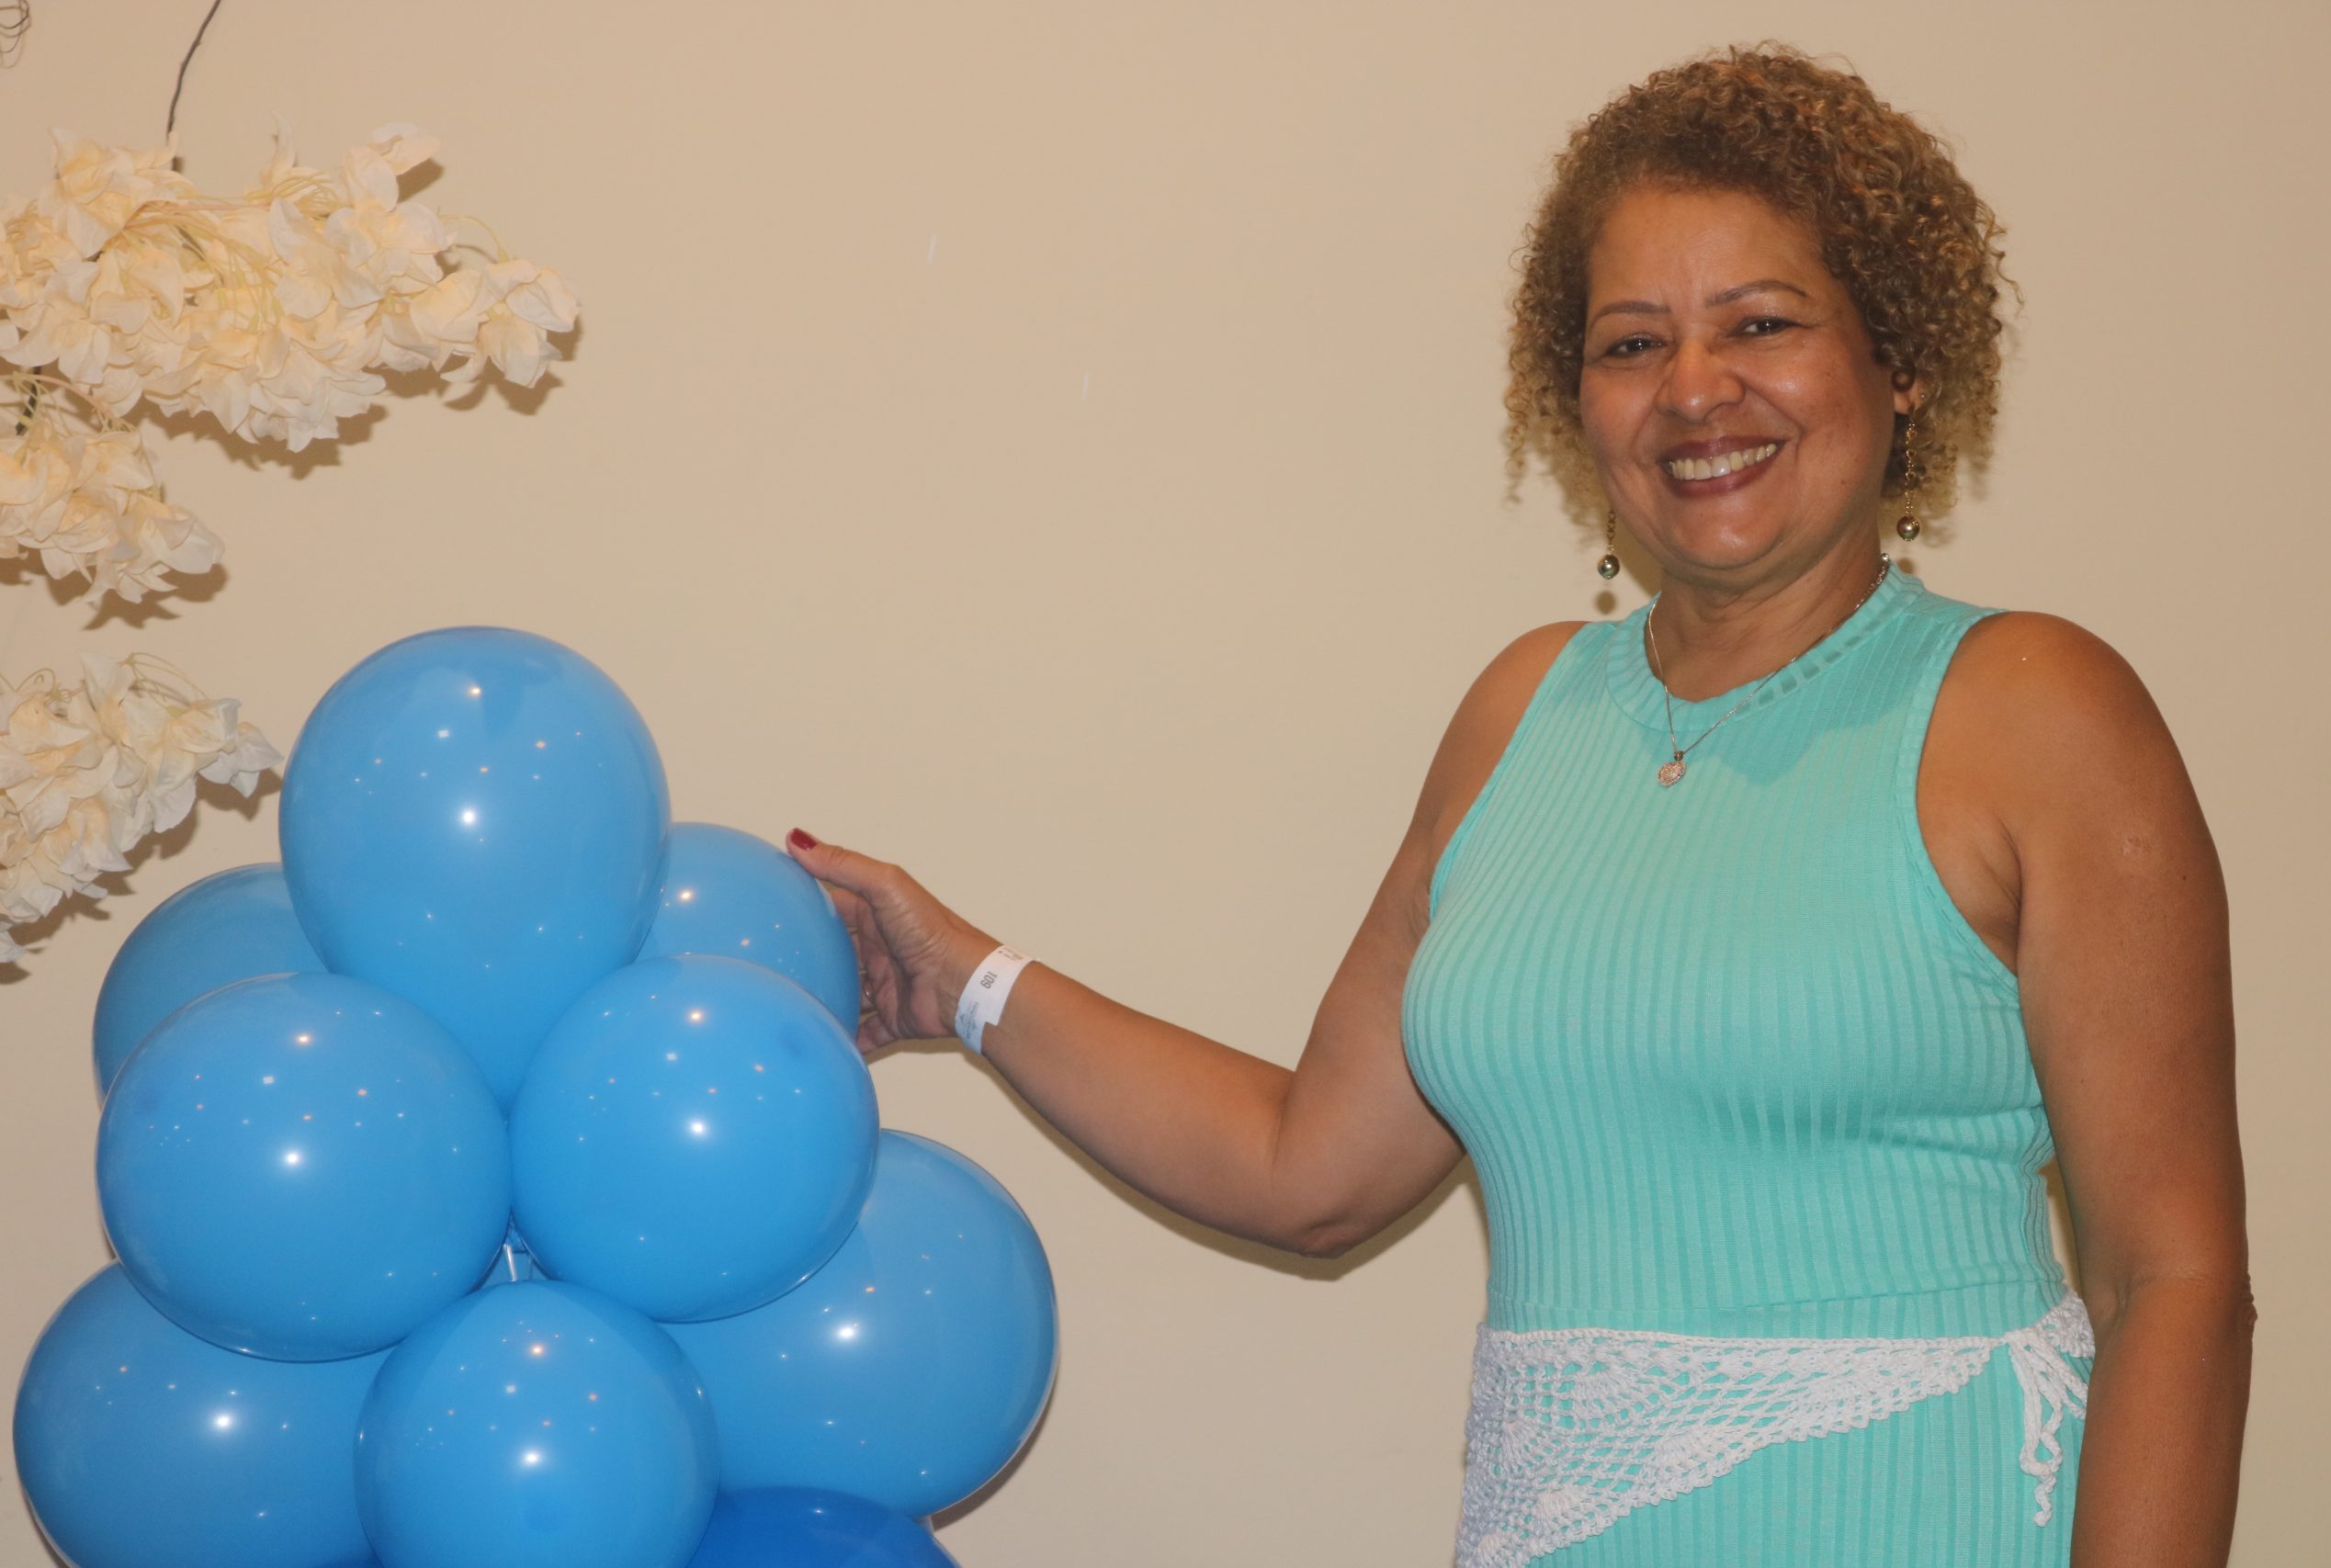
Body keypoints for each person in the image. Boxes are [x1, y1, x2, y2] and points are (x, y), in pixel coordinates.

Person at [782, 43, 2254, 1568]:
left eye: (1762, 323)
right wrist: (966, 980)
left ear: (1901, 361)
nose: (1695, 389)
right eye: (1634, 343)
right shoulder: (1522, 711)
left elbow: (2174, 1282)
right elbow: (1307, 1168)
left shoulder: (2037, 712)